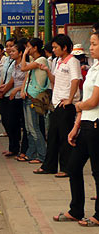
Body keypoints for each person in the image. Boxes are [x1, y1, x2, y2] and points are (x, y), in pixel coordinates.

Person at [53, 30, 99, 227]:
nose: (91, 48)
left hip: (96, 125)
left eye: (95, 44)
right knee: (73, 166)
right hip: (85, 124)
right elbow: (85, 100)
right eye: (91, 43)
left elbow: (93, 101)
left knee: (97, 172)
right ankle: (76, 210)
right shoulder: (93, 68)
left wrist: (77, 106)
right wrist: (76, 126)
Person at [34, 34, 82, 178]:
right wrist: (47, 70)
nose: (53, 50)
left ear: (65, 47)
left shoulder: (72, 61)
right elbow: (54, 80)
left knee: (64, 136)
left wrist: (70, 98)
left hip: (66, 104)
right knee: (53, 136)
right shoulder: (59, 62)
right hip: (56, 104)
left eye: (55, 47)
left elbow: (75, 80)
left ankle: (67, 168)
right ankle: (49, 166)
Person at [20, 38, 48, 164]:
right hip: (28, 96)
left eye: (29, 47)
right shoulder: (35, 61)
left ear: (35, 48)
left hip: (34, 97)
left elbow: (23, 68)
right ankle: (31, 153)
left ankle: (42, 155)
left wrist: (24, 54)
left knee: (34, 128)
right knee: (28, 128)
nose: (28, 49)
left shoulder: (41, 60)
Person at [0, 42, 27, 158]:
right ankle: (13, 147)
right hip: (12, 96)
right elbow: (11, 80)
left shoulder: (25, 66)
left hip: (21, 97)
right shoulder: (13, 64)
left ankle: (21, 149)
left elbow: (26, 81)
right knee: (9, 122)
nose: (11, 52)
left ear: (20, 53)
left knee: (18, 124)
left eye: (14, 51)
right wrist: (3, 89)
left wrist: (14, 90)